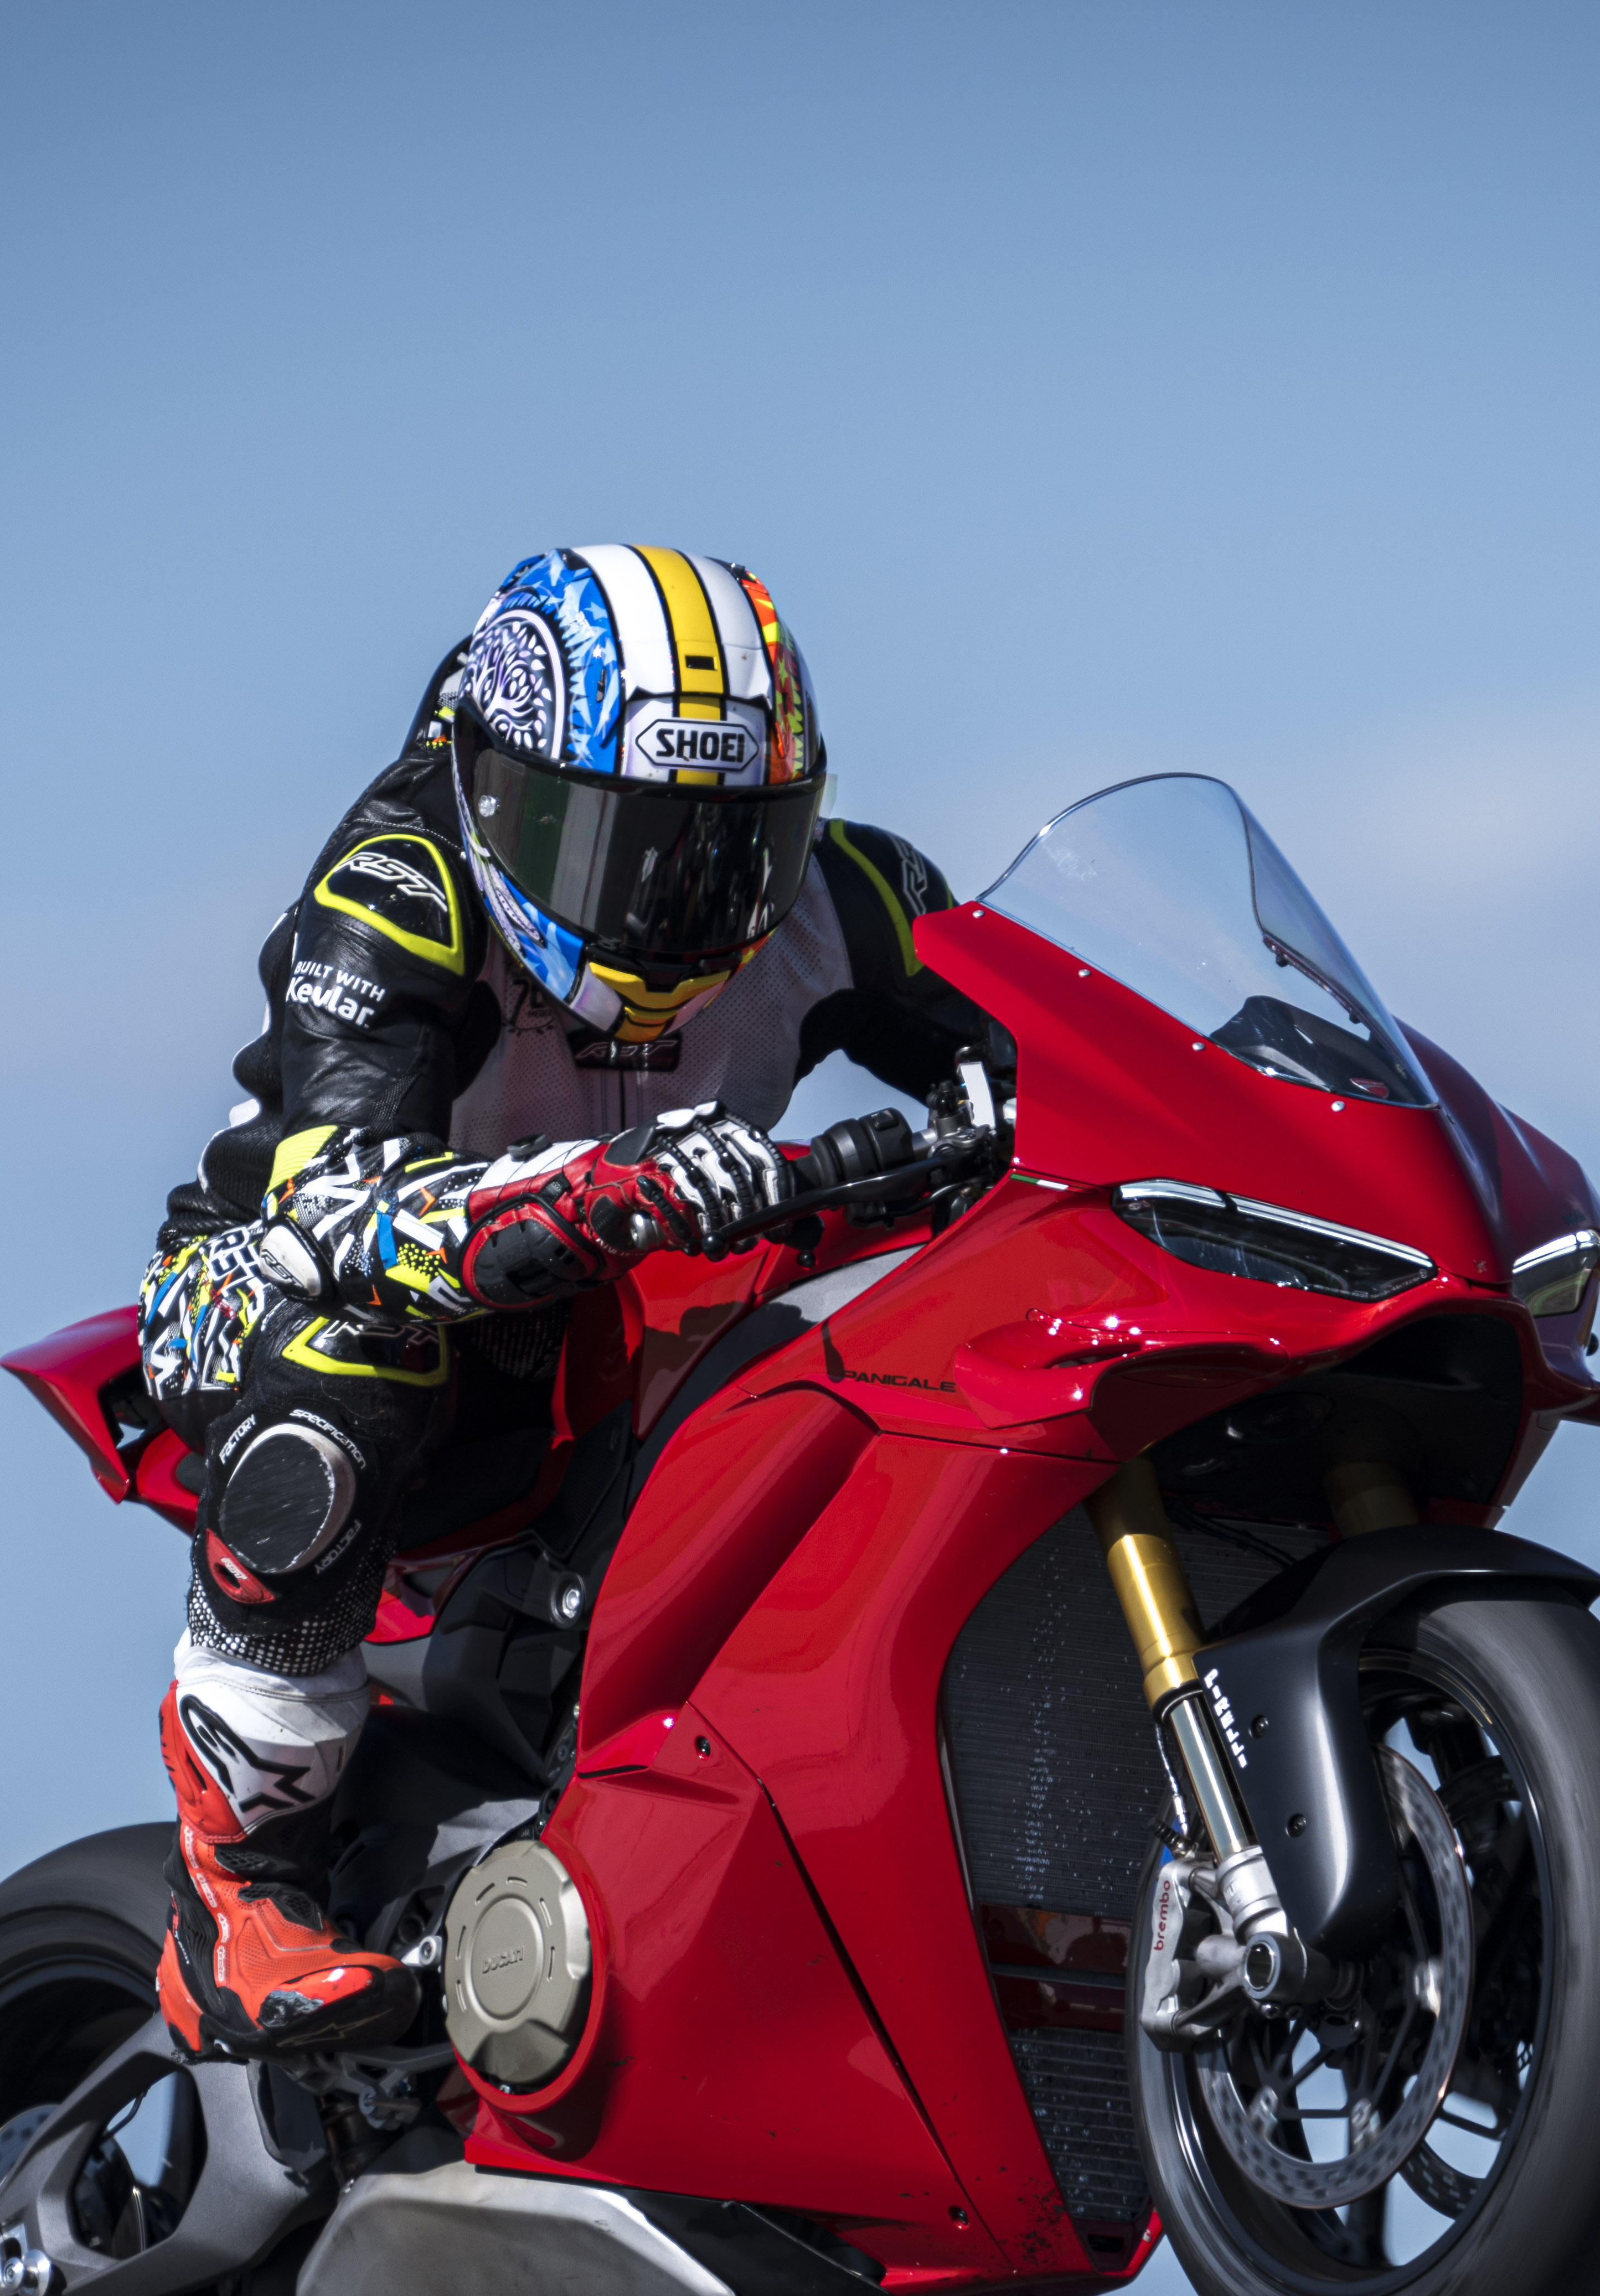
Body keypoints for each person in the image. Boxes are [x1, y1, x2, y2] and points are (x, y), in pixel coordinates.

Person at [131, 545, 987, 2056]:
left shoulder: (844, 901)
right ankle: (238, 1890)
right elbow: (337, 1208)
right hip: (259, 1280)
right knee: (352, 1333)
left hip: (620, 1300)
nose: (675, 905)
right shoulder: (400, 884)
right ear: (496, 791)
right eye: (619, 847)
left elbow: (1057, 1045)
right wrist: (612, 1184)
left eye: (727, 851)